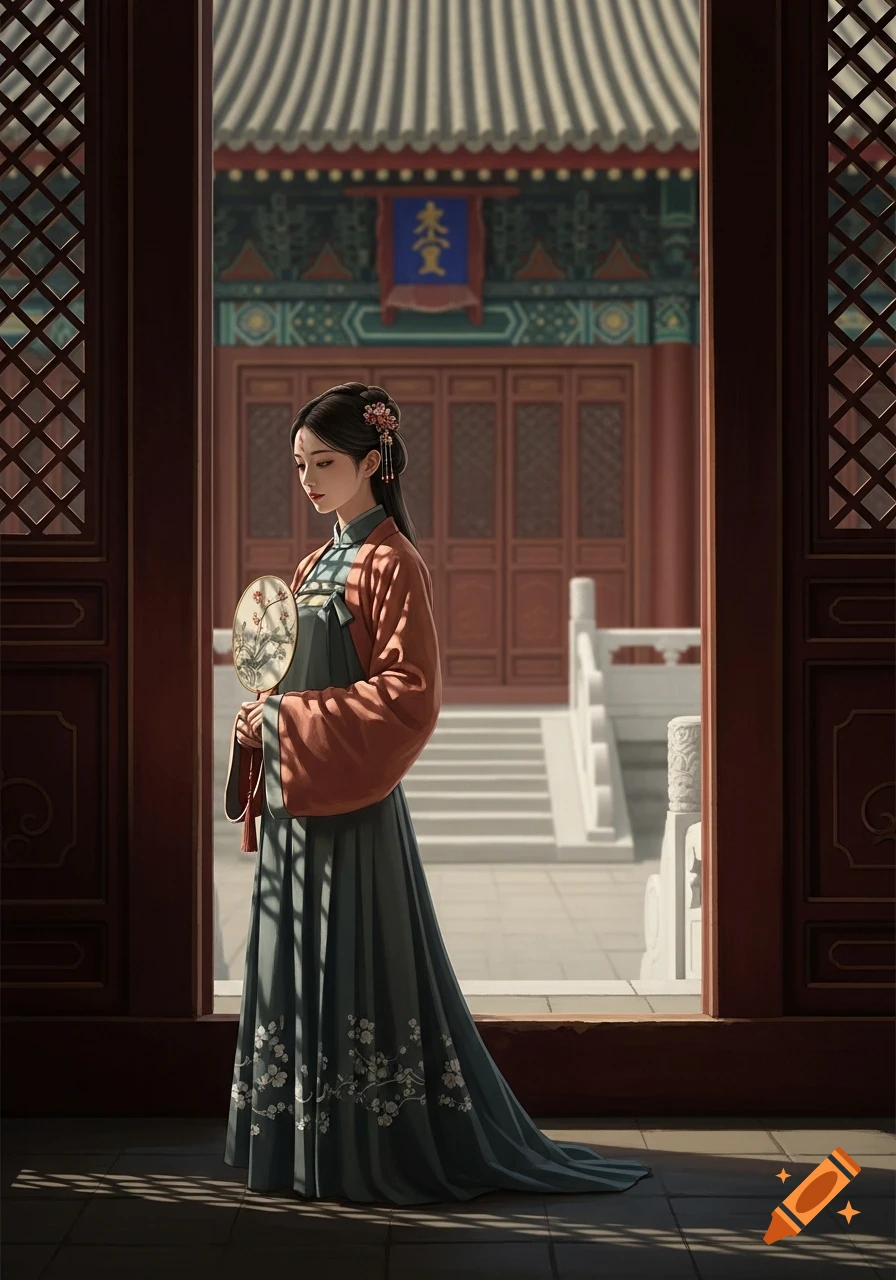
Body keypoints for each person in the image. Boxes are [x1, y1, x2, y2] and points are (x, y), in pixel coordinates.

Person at [223, 381, 652, 1205]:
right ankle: (300, 1140)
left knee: (356, 966)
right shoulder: (316, 561)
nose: (309, 478)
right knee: (293, 964)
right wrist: (261, 722)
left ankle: (364, 1146)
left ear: (371, 464)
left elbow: (409, 696)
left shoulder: (393, 562)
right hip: (299, 805)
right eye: (301, 464)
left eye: (325, 463)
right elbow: (283, 669)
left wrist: (285, 720)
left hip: (351, 811)